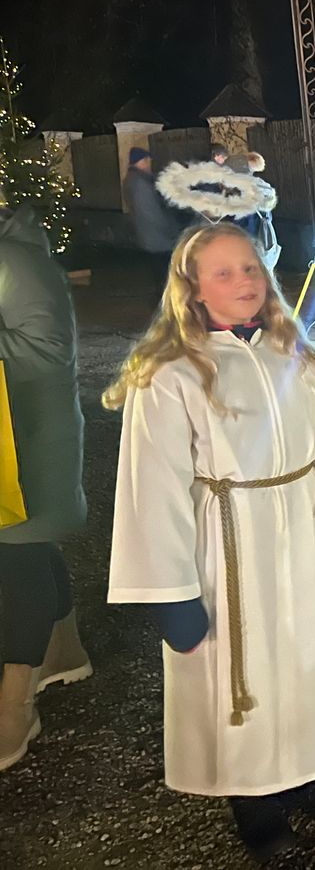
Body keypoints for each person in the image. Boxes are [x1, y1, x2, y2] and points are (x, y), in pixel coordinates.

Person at [104, 223, 315, 862]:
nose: (243, 283)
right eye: (223, 273)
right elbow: (154, 489)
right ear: (192, 288)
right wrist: (171, 598)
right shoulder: (171, 373)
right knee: (244, 659)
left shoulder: (297, 356)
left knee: (306, 650)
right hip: (229, 539)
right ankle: (253, 795)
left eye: (250, 268)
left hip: (304, 530)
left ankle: (311, 770)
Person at [0, 206, 90, 772]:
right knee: (25, 546)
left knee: (16, 554)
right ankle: (63, 649)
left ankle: (15, 703)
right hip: (19, 426)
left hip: (25, 432)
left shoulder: (12, 259)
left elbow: (46, 348)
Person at [121, 147, 180, 300]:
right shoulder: (140, 183)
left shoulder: (137, 180)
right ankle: (165, 304)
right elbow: (151, 213)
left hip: (151, 236)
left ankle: (164, 302)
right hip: (158, 238)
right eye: (146, 160)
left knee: (160, 274)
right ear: (139, 162)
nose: (149, 163)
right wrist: (171, 231)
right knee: (164, 275)